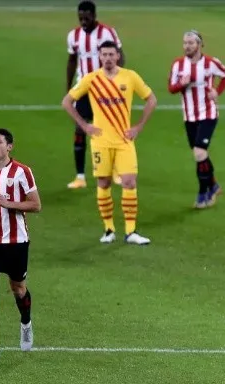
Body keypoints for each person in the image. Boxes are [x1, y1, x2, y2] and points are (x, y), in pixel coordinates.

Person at [61, 40, 157, 245]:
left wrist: (138, 126)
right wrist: (84, 126)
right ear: (99, 56)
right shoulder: (91, 79)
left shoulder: (130, 77)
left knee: (130, 182)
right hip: (101, 142)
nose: (108, 58)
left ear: (118, 56)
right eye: (104, 54)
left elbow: (152, 100)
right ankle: (108, 229)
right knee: (103, 183)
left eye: (111, 54)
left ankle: (131, 231)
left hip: (124, 141)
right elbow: (67, 102)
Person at [0, 129, 42, 367]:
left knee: (18, 289)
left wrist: (9, 204)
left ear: (9, 146)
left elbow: (36, 205)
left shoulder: (23, 172)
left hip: (16, 241)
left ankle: (26, 323)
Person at [168, 30, 225, 209]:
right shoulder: (178, 65)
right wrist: (182, 84)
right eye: (184, 43)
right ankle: (213, 184)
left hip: (208, 114)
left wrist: (216, 92)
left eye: (190, 43)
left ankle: (204, 193)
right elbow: (171, 88)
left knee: (199, 152)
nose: (186, 46)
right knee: (200, 155)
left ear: (199, 45)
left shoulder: (211, 63)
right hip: (189, 116)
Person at [66, 1, 125, 189]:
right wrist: (69, 88)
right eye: (80, 17)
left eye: (86, 17)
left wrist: (116, 79)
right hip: (84, 87)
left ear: (94, 15)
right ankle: (80, 177)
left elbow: (120, 55)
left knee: (110, 129)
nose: (83, 21)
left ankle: (115, 171)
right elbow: (72, 60)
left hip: (104, 88)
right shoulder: (73, 36)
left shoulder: (107, 33)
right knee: (79, 129)